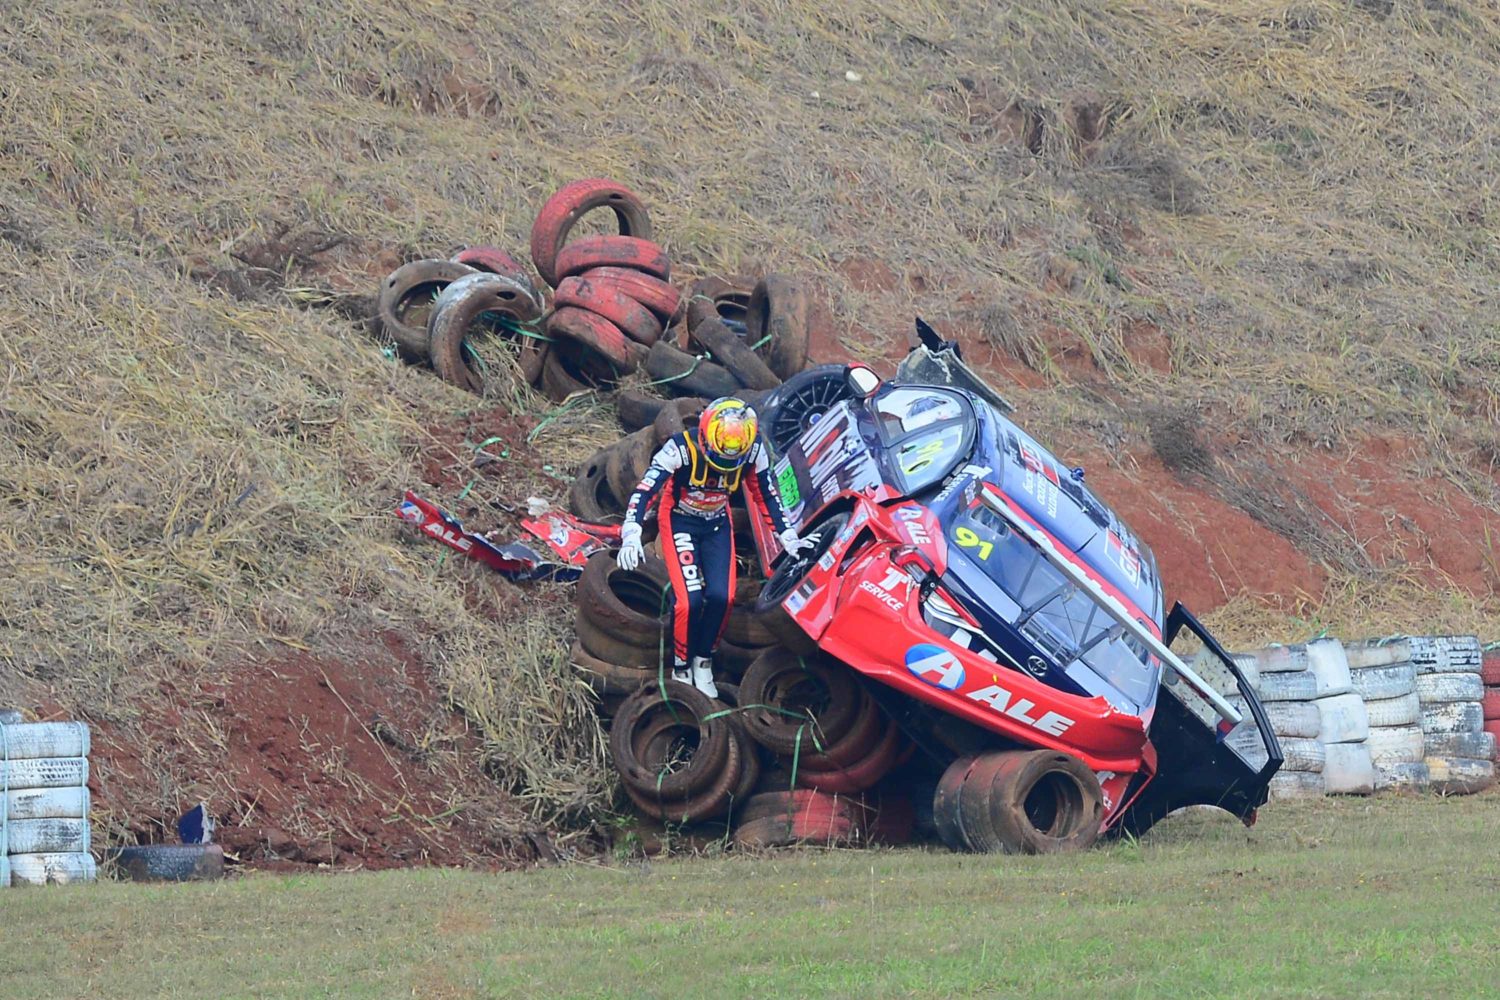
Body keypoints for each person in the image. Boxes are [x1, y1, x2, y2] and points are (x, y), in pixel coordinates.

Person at [617, 397, 812, 697]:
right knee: (688, 601)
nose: (722, 468)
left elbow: (766, 494)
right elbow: (646, 489)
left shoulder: (755, 450)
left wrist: (787, 535)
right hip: (680, 519)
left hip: (717, 523)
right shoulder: (680, 448)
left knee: (723, 597)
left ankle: (703, 660)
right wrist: (631, 532)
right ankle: (681, 666)